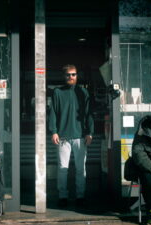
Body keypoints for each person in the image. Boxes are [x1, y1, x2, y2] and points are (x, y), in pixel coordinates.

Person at [49, 64, 94, 207]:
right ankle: (63, 196)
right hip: (62, 136)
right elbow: (53, 113)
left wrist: (90, 133)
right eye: (68, 75)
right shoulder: (57, 92)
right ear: (64, 76)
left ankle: (80, 196)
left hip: (80, 136)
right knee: (63, 169)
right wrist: (53, 131)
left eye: (73, 74)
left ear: (77, 76)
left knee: (81, 169)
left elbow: (88, 114)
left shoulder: (83, 92)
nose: (71, 77)